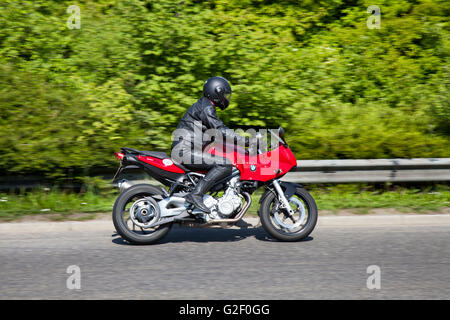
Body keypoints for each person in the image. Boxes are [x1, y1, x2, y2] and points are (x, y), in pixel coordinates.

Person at [171, 76, 249, 213]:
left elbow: (218, 134)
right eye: (224, 94)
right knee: (224, 164)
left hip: (187, 150)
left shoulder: (204, 106)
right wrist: (246, 141)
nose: (226, 97)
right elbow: (222, 131)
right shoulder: (206, 108)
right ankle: (196, 194)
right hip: (185, 151)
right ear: (216, 92)